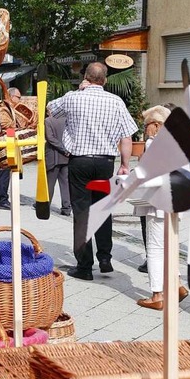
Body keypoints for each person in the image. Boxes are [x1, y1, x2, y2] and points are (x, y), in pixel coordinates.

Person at [47, 62, 138, 281]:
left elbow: (50, 107)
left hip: (80, 162)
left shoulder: (73, 97)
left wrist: (79, 89)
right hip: (105, 163)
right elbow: (127, 136)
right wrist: (125, 164)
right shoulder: (116, 102)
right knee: (103, 209)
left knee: (82, 213)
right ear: (105, 80)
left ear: (86, 77)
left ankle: (84, 266)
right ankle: (105, 257)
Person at [134, 105, 189, 310]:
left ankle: (157, 294)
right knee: (170, 243)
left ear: (156, 125)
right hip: (177, 199)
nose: (145, 129)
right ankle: (177, 285)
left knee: (156, 247)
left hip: (158, 200)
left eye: (147, 125)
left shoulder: (153, 143)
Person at [0, 87, 22, 210]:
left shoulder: (4, 107)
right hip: (4, 144)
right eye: (18, 97)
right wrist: (15, 127)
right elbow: (4, 125)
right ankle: (2, 200)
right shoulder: (4, 108)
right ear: (11, 96)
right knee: (3, 172)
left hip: (0, 143)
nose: (19, 100)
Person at [43, 112, 71, 215]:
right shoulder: (66, 120)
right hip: (66, 157)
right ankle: (66, 208)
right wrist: (67, 150)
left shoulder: (48, 121)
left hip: (53, 156)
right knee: (65, 183)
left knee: (50, 183)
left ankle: (46, 205)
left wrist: (62, 148)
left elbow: (50, 138)